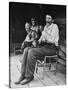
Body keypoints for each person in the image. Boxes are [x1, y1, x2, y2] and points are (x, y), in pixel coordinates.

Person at [15, 14, 59, 85]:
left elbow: (51, 40)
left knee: (32, 52)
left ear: (52, 20)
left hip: (52, 49)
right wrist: (36, 41)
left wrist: (43, 35)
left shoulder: (55, 27)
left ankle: (29, 76)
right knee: (26, 49)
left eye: (49, 18)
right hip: (44, 47)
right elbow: (41, 38)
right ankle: (23, 75)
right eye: (46, 18)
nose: (47, 20)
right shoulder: (45, 27)